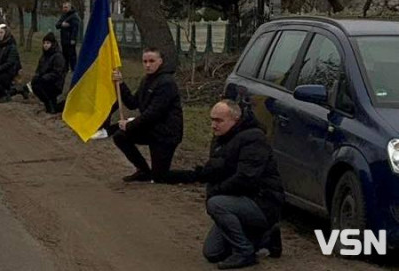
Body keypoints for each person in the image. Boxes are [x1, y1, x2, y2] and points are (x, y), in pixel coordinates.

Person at [193, 100, 284, 269]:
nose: (213, 125)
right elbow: (216, 169)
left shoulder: (254, 139)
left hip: (262, 202)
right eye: (212, 120)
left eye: (219, 121)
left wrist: (216, 192)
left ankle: (245, 252)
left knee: (217, 204)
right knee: (212, 253)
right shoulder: (221, 139)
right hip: (238, 200)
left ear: (235, 119)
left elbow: (246, 178)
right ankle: (266, 237)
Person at [109, 47, 183, 183]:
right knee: (120, 136)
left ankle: (198, 174)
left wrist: (130, 125)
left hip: (165, 134)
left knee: (161, 177)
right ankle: (143, 170)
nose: (148, 65)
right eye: (145, 61)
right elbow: (133, 103)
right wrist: (120, 84)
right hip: (151, 129)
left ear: (160, 61)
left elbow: (153, 114)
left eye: (152, 61)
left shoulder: (167, 83)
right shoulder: (147, 80)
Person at [22, 32, 67, 113]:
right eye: (44, 43)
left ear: (53, 44)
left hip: (55, 84)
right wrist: (37, 77)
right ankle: (50, 105)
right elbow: (39, 69)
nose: (45, 45)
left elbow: (57, 73)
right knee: (35, 84)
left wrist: (43, 78)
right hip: (44, 81)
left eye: (48, 43)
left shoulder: (58, 56)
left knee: (38, 85)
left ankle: (51, 105)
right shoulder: (44, 56)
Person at [55, 1, 81, 72]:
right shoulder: (63, 16)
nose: (64, 9)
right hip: (63, 38)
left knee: (72, 55)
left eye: (66, 7)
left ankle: (74, 68)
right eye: (63, 7)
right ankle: (65, 68)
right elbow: (57, 25)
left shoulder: (74, 16)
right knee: (64, 54)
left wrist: (73, 39)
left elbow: (75, 29)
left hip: (70, 39)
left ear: (70, 7)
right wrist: (62, 24)